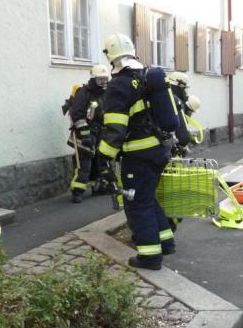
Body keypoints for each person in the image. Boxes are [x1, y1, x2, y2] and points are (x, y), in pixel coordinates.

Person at [97, 33, 179, 270]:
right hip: (160, 150)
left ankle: (150, 256)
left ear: (110, 57)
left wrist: (104, 158)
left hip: (138, 156)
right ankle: (166, 242)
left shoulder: (118, 85)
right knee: (147, 197)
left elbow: (115, 128)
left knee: (137, 204)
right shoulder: (145, 76)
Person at [68, 65, 109, 203]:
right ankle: (77, 191)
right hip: (84, 133)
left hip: (100, 133)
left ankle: (97, 187)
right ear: (93, 79)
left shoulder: (105, 93)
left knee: (99, 161)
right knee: (84, 163)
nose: (104, 82)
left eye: (105, 79)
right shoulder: (83, 93)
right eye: (100, 79)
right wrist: (85, 135)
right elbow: (77, 115)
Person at [166, 71, 193, 157]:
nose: (185, 92)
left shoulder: (160, 97)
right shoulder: (176, 101)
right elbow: (183, 137)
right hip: (169, 149)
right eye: (183, 88)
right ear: (178, 86)